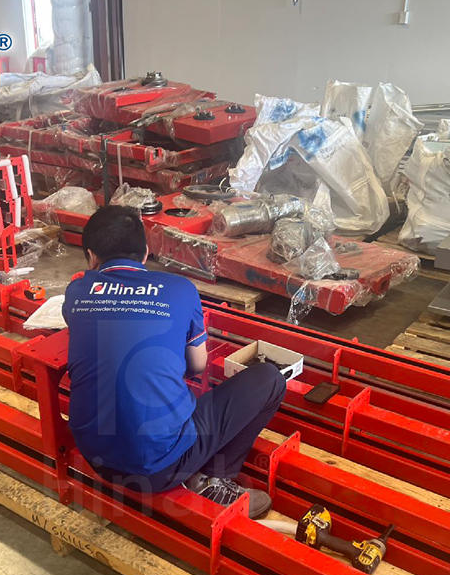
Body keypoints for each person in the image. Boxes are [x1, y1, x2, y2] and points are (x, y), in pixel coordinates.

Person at [61, 205, 286, 519]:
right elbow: (197, 365)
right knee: (269, 379)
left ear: (91, 257)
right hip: (160, 468)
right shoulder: (180, 289)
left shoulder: (76, 292)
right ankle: (215, 479)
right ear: (146, 253)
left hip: (94, 457)